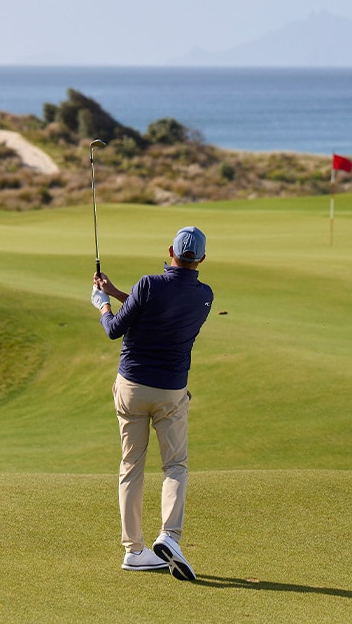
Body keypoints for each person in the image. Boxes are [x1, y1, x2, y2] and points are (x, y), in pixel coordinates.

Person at [90, 226, 213, 581]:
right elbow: (162, 309)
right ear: (201, 259)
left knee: (131, 466)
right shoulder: (205, 296)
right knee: (175, 465)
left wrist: (104, 304)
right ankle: (169, 538)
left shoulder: (147, 284)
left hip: (132, 388)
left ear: (170, 250)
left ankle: (134, 551)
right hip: (171, 393)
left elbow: (115, 328)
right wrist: (115, 290)